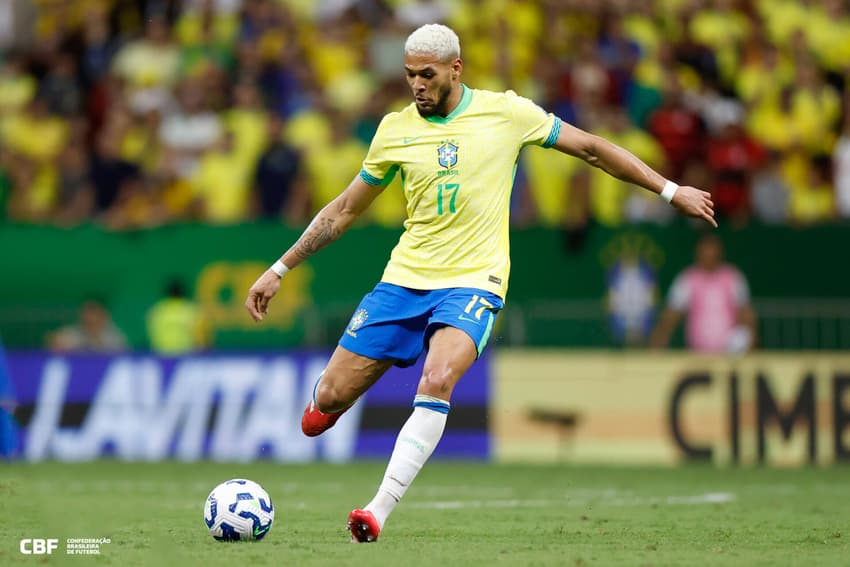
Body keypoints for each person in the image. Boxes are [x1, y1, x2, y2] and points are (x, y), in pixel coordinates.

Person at [245, 24, 716, 543]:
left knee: (437, 378)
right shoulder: (394, 130)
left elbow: (591, 149)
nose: (417, 85)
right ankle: (323, 405)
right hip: (404, 280)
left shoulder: (508, 113)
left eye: (427, 74)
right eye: (409, 76)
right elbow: (344, 210)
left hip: (474, 281)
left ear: (455, 68)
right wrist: (279, 268)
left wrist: (671, 191)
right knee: (328, 402)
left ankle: (376, 510)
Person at [650, 233, 756, 353]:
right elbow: (670, 318)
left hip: (730, 356)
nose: (709, 256)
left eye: (712, 251)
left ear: (720, 253)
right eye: (705, 252)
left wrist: (751, 346)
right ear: (698, 253)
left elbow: (746, 316)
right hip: (698, 355)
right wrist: (656, 348)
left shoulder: (733, 277)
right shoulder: (687, 279)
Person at [46, 299, 128, 353]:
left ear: (104, 315)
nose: (90, 318)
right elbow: (53, 343)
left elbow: (123, 359)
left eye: (94, 312)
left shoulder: (115, 337)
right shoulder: (72, 332)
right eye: (87, 312)